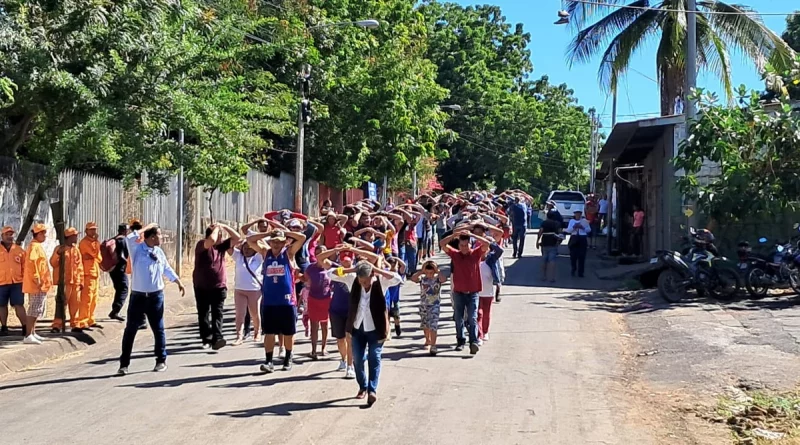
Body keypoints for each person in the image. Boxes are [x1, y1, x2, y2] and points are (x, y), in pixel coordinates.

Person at [330, 261, 401, 407]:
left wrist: (377, 270)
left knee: (375, 357)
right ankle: (363, 386)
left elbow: (397, 278)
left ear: (372, 276)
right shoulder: (352, 280)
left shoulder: (381, 282)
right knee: (358, 359)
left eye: (367, 281)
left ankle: (372, 390)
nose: (364, 284)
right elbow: (331, 274)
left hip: (376, 328)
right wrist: (351, 269)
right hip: (357, 328)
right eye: (362, 281)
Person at [118, 223, 186, 375]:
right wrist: (148, 226)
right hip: (138, 297)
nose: (162, 237)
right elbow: (129, 237)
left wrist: (178, 282)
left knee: (159, 329)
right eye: (159, 235)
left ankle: (161, 360)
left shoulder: (159, 252)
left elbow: (167, 268)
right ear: (152, 237)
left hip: (156, 297)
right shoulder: (137, 250)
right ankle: (124, 364)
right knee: (130, 330)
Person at [247, 228, 306, 373]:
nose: (276, 245)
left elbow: (302, 237)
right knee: (269, 332)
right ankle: (268, 361)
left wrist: (286, 232)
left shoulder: (288, 253)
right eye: (274, 242)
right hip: (269, 301)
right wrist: (268, 234)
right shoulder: (265, 252)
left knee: (288, 333)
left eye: (279, 242)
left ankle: (288, 357)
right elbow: (250, 240)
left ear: (284, 242)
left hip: (287, 301)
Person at [439, 229, 491, 354]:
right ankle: (460, 341)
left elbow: (487, 244)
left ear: (470, 244)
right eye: (461, 245)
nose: (464, 248)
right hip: (458, 292)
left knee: (472, 318)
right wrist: (454, 235)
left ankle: (473, 342)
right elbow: (442, 244)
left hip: (473, 292)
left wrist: (472, 235)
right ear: (458, 245)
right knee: (459, 318)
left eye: (466, 245)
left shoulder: (476, 254)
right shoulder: (455, 254)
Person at [193, 223, 240, 350]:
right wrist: (217, 229)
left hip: (219, 286)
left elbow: (237, 238)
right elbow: (212, 240)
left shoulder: (221, 247)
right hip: (202, 286)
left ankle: (217, 338)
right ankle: (206, 339)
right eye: (220, 235)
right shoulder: (202, 245)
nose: (221, 237)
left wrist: (224, 226)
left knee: (217, 313)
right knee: (203, 313)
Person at [50, 227, 84, 332]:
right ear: (69, 237)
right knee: (62, 303)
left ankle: (75, 324)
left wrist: (81, 281)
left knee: (75, 304)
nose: (76, 238)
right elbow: (53, 263)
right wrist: (58, 253)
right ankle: (57, 325)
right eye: (75, 236)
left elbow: (80, 266)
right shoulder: (60, 249)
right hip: (64, 282)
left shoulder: (76, 250)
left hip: (75, 281)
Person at [22, 223, 51, 345]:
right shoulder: (34, 246)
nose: (45, 235)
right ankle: (28, 335)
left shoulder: (37, 246)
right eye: (43, 233)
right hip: (36, 285)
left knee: (37, 309)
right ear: (38, 234)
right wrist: (36, 278)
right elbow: (32, 264)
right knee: (34, 310)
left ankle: (33, 333)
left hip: (41, 284)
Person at [231, 238, 263, 346]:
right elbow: (227, 246)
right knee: (240, 314)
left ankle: (257, 332)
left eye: (249, 248)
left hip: (254, 290)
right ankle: (239, 336)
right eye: (244, 248)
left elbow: (264, 246)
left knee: (255, 313)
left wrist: (254, 241)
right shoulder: (238, 256)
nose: (246, 250)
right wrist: (238, 242)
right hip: (239, 289)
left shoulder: (259, 257)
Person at [304, 246, 333, 360]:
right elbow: (305, 279)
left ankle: (323, 348)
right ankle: (314, 350)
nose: (320, 255)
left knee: (325, 325)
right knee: (314, 326)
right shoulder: (310, 268)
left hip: (326, 299)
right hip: (313, 298)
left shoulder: (331, 266)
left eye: (322, 252)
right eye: (317, 253)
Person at [411, 261, 446, 355]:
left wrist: (438, 271)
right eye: (427, 272)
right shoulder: (422, 279)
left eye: (431, 273)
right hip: (423, 305)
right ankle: (427, 340)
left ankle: (433, 346)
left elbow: (443, 279)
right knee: (425, 325)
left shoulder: (437, 279)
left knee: (433, 325)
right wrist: (421, 271)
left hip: (434, 305)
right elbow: (413, 278)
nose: (429, 275)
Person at [0, 226, 26, 337]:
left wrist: (26, 281)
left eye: (11, 234)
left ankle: (25, 327)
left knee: (19, 305)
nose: (9, 237)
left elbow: (25, 267)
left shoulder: (19, 250)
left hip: (17, 283)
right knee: (1, 305)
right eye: (7, 234)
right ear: (2, 236)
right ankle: (4, 327)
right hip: (1, 283)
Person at [78, 222, 102, 328]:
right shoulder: (84, 243)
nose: (93, 231)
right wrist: (93, 255)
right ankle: (83, 320)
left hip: (95, 272)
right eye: (91, 229)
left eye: (94, 229)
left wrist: (93, 254)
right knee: (86, 299)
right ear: (86, 231)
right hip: (87, 273)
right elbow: (95, 254)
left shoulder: (95, 242)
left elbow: (99, 257)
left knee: (94, 298)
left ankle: (90, 319)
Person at [108, 224, 130, 322]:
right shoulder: (122, 240)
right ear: (125, 231)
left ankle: (115, 310)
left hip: (112, 269)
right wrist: (128, 263)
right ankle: (115, 310)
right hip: (119, 269)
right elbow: (122, 256)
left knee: (119, 288)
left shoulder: (114, 239)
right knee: (124, 288)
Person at [536, 211, 562, 283]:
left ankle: (543, 276)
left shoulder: (544, 223)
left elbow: (540, 232)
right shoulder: (557, 223)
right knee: (552, 261)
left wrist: (537, 241)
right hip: (553, 243)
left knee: (544, 259)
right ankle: (552, 277)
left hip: (544, 243)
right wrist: (558, 242)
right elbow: (560, 233)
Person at [567, 210, 591, 278]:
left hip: (582, 238)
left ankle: (581, 272)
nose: (578, 215)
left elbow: (589, 230)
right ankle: (573, 269)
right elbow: (569, 230)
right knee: (573, 256)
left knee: (582, 256)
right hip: (574, 237)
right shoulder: (572, 221)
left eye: (579, 214)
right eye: (576, 213)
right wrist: (574, 227)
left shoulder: (584, 221)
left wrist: (582, 227)